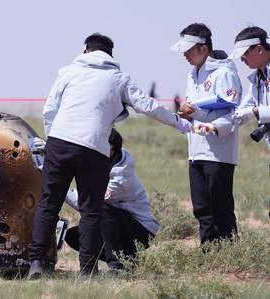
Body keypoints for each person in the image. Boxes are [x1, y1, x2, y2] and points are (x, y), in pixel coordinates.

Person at [27, 33, 192, 279]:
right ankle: (87, 270)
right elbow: (148, 106)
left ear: (86, 50)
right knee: (92, 210)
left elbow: (50, 109)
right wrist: (182, 125)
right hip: (93, 148)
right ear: (110, 55)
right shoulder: (117, 78)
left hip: (60, 143)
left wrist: (52, 141)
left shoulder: (68, 71)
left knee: (49, 203)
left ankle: (36, 263)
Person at [170, 23, 242, 246]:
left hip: (218, 153)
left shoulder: (225, 73)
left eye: (188, 50)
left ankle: (230, 254)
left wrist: (198, 113)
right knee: (201, 208)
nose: (185, 55)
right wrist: (187, 115)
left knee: (220, 207)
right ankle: (208, 253)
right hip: (196, 150)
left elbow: (233, 113)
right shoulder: (192, 75)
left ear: (203, 48)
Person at [63, 129, 159, 272]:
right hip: (118, 225)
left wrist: (58, 187)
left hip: (142, 231)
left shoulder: (121, 178)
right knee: (73, 236)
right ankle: (129, 259)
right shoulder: (105, 161)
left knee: (100, 208)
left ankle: (117, 266)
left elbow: (89, 204)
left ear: (113, 150)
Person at [197, 26, 270, 176]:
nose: (242, 60)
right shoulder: (257, 78)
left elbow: (250, 110)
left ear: (259, 49)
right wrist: (213, 126)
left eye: (244, 54)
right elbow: (241, 112)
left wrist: (256, 111)